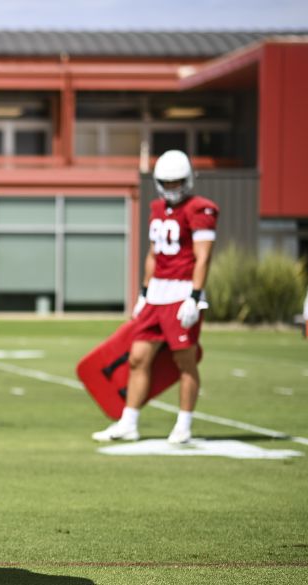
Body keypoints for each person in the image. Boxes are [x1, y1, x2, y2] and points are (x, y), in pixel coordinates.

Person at [92, 149, 217, 444]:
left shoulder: (201, 209)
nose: (172, 188)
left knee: (184, 361)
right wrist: (144, 292)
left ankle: (184, 424)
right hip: (157, 294)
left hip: (182, 292)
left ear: (187, 180)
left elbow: (203, 258)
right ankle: (129, 422)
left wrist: (195, 296)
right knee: (137, 358)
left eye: (177, 182)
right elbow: (153, 255)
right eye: (167, 183)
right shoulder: (157, 208)